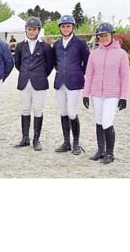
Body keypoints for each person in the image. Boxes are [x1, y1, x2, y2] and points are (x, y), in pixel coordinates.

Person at [83, 22, 130, 164]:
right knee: (98, 121)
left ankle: (110, 153)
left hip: (112, 93)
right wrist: (86, 94)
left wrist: (124, 97)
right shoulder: (94, 54)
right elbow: (89, 74)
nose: (103, 38)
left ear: (112, 36)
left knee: (107, 121)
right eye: (101, 36)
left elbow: (125, 76)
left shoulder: (121, 54)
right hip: (96, 93)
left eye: (106, 35)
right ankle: (100, 150)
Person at [14, 17, 55, 151]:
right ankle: (25, 138)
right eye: (29, 29)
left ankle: (36, 139)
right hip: (24, 81)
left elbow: (49, 65)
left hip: (39, 82)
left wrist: (40, 75)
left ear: (38, 30)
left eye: (34, 29)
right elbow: (18, 63)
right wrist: (27, 73)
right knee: (25, 109)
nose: (31, 32)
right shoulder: (20, 46)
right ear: (26, 30)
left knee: (38, 110)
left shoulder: (45, 46)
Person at [53, 15, 90, 155]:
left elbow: (87, 62)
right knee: (62, 112)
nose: (65, 28)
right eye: (63, 26)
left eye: (68, 26)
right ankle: (66, 142)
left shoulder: (80, 43)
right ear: (60, 28)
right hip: (60, 82)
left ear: (73, 27)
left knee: (72, 112)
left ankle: (76, 143)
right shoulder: (56, 44)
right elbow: (55, 62)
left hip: (74, 82)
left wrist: (79, 73)